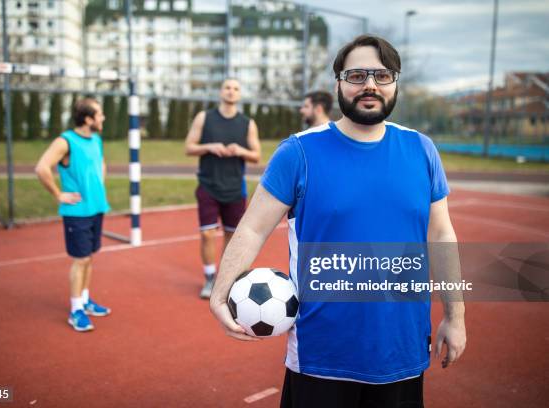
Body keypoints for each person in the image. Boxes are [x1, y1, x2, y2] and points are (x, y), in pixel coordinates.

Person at [210, 35, 466, 407]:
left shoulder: (421, 150)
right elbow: (251, 227)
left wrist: (455, 316)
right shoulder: (299, 152)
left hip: (403, 351)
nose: (369, 85)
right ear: (339, 83)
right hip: (320, 358)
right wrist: (220, 292)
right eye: (357, 75)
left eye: (382, 75)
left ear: (395, 83)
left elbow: (441, 234)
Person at [35, 97, 111, 332]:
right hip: (77, 212)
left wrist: (98, 187)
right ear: (88, 119)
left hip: (96, 208)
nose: (103, 118)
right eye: (99, 114)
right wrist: (58, 194)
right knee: (81, 260)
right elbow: (41, 168)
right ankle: (75, 310)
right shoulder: (65, 141)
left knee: (89, 257)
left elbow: (101, 164)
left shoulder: (96, 139)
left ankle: (85, 300)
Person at [185, 78, 261, 299]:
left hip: (235, 188)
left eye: (236, 88)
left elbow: (256, 156)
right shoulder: (204, 118)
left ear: (239, 94)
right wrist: (209, 146)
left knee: (231, 235)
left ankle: (225, 278)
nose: (231, 91)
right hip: (208, 185)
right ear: (221, 91)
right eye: (227, 87)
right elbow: (188, 147)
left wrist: (240, 150)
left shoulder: (248, 123)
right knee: (208, 234)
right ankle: (209, 277)